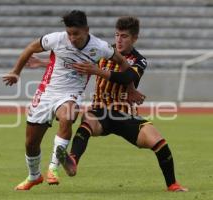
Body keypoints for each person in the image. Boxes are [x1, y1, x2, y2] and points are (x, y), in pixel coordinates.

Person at [3, 10, 143, 190]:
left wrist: (131, 90)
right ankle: (34, 176)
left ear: (87, 30)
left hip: (71, 93)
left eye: (76, 34)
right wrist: (16, 72)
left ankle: (53, 169)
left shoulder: (99, 47)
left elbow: (123, 63)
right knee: (31, 144)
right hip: (47, 92)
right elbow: (31, 48)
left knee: (67, 117)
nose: (72, 38)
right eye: (69, 33)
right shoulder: (56, 39)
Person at [53, 16, 188, 192]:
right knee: (88, 119)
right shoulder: (103, 51)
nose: (118, 40)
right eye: (117, 35)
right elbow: (73, 63)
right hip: (101, 110)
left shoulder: (139, 60)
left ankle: (172, 185)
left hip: (125, 114)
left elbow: (127, 77)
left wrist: (97, 71)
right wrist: (42, 63)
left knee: (159, 142)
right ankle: (73, 161)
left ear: (134, 39)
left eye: (124, 36)